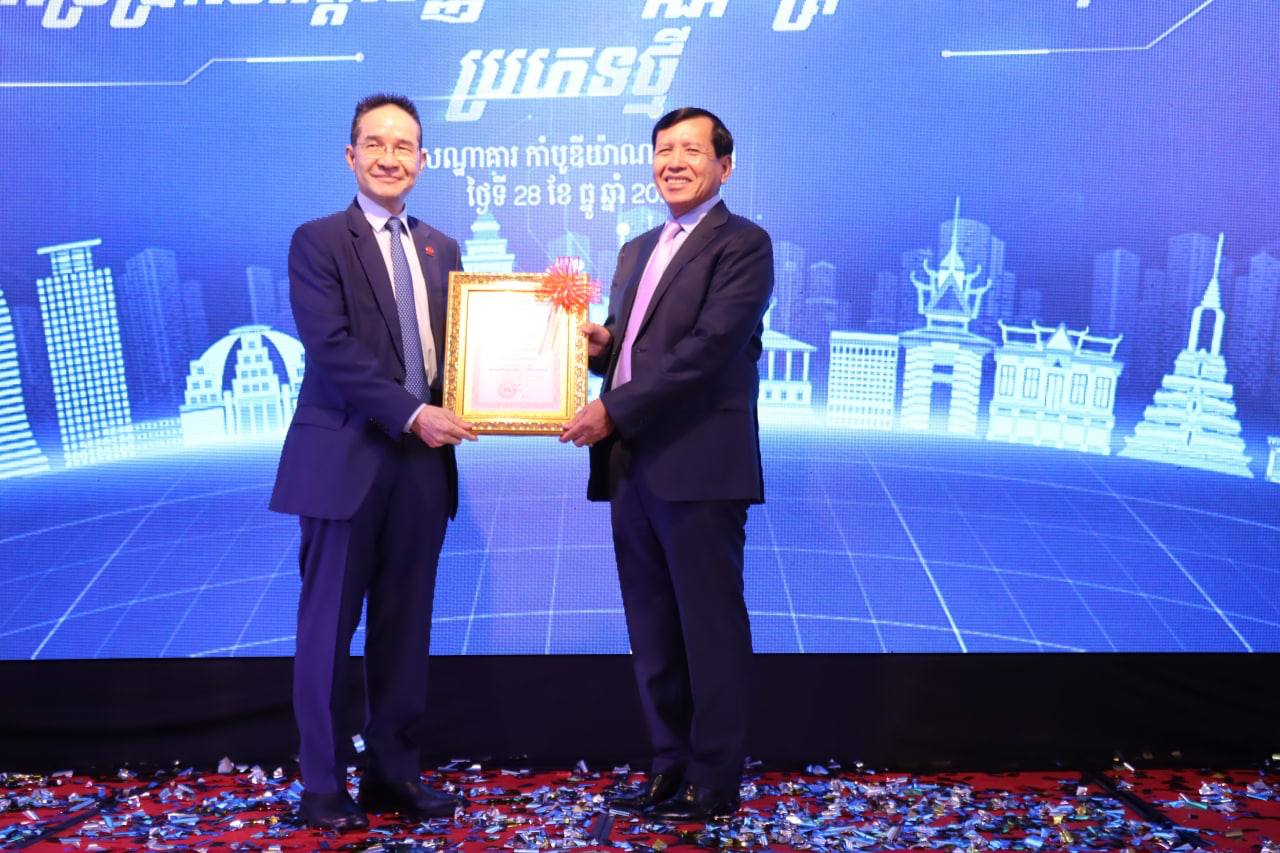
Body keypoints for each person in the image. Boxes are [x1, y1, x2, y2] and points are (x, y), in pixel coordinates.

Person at [270, 93, 477, 833]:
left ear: (423, 159)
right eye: (376, 144)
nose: (391, 157)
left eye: (404, 145)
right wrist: (413, 412)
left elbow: (466, 351)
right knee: (327, 631)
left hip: (422, 467)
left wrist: (549, 333)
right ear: (351, 155)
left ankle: (394, 774)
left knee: (405, 627)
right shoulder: (319, 241)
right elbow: (331, 349)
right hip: (346, 459)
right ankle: (323, 784)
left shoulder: (443, 248)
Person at [560, 107, 773, 822]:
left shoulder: (744, 245)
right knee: (652, 629)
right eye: (663, 149)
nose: (674, 161)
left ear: (725, 166)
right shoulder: (636, 249)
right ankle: (668, 766)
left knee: (709, 628)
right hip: (632, 465)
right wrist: (600, 347)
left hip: (700, 464)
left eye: (691, 149)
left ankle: (713, 779)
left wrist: (613, 408)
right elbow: (636, 348)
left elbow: (707, 350)